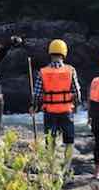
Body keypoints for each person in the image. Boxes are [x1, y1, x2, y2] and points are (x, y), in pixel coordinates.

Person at [31, 39, 81, 177]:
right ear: (64, 53)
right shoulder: (71, 70)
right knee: (69, 141)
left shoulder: (43, 71)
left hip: (50, 111)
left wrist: (34, 106)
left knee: (50, 140)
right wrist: (77, 105)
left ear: (50, 53)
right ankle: (66, 168)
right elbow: (77, 91)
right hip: (66, 110)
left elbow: (37, 93)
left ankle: (51, 168)